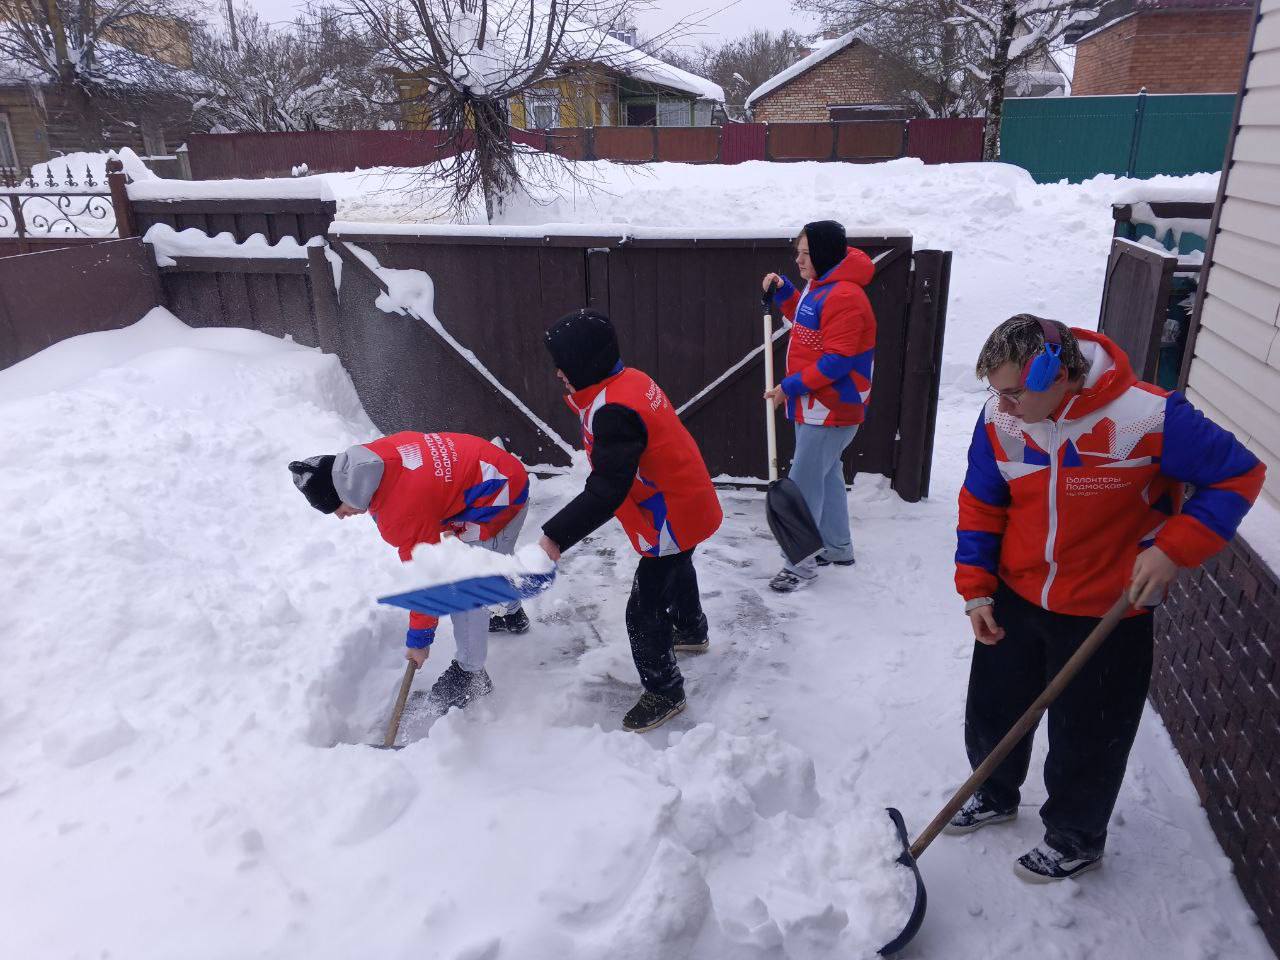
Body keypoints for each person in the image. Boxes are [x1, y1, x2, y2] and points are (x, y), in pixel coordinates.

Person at [949, 315, 1265, 882]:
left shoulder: (1148, 416)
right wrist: (976, 589)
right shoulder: (1004, 418)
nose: (1003, 405)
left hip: (1106, 609)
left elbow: (1238, 476)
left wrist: (1174, 548)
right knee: (995, 709)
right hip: (1018, 594)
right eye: (995, 392)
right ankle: (993, 792)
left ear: (1058, 372)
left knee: (1089, 732)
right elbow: (981, 501)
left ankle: (1075, 835)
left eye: (1015, 391)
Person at [535, 309, 723, 733]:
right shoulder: (628, 381)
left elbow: (607, 488)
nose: (558, 372)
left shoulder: (613, 409)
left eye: (562, 363)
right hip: (684, 502)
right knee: (678, 566)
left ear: (583, 364)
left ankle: (664, 690)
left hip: (671, 514)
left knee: (644, 609)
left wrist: (555, 536)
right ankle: (691, 630)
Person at [288, 431, 531, 715]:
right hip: (488, 473)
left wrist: (420, 640)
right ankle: (510, 614)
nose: (340, 516)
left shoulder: (401, 511)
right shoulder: (371, 462)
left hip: (500, 494)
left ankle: (471, 674)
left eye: (335, 507)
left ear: (345, 491)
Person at [760, 219, 877, 592]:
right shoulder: (821, 287)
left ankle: (798, 565)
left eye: (806, 253)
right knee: (826, 475)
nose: (798, 259)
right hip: (818, 405)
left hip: (832, 407)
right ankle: (837, 548)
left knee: (804, 486)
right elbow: (808, 320)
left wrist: (788, 387)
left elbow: (838, 360)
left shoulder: (846, 296)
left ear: (825, 253)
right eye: (797, 252)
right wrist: (785, 293)